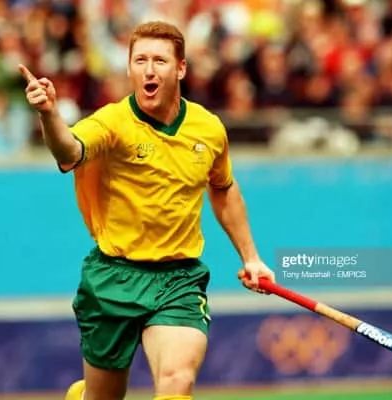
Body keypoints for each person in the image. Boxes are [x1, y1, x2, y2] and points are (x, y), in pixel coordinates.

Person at [19, 21, 275, 400]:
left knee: (177, 380)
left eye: (159, 60)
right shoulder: (111, 122)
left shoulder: (208, 128)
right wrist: (48, 114)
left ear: (181, 68)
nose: (149, 70)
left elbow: (223, 188)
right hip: (113, 279)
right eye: (140, 60)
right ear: (129, 68)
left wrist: (251, 257)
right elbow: (69, 150)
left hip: (178, 279)